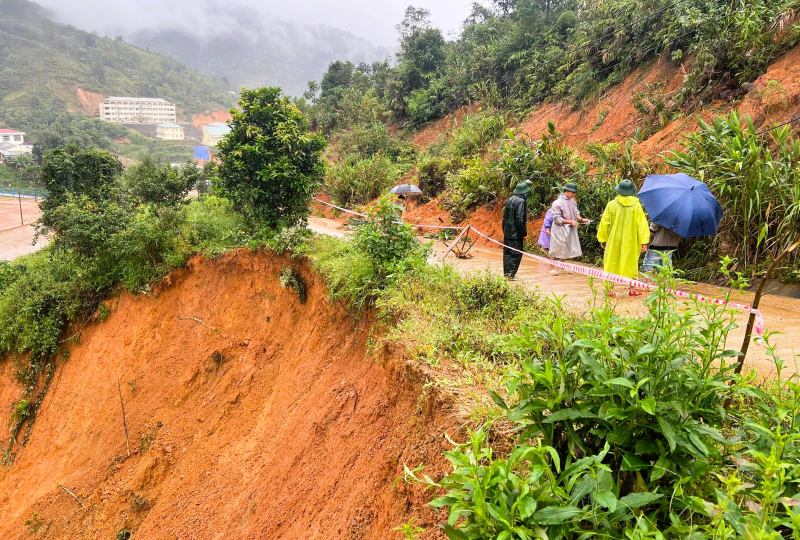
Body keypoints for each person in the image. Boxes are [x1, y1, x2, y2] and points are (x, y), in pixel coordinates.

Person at [597, 179, 651, 296]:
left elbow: (604, 223)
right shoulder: (636, 206)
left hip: (613, 241)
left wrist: (602, 238)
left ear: (619, 191)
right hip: (631, 242)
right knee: (631, 263)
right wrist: (644, 242)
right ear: (632, 191)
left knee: (611, 263)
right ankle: (632, 288)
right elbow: (642, 224)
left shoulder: (611, 205)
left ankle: (610, 289)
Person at [548, 182, 590, 275]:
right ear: (567, 191)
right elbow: (557, 219)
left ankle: (563, 267)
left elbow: (576, 212)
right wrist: (570, 221)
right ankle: (551, 268)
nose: (574, 194)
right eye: (573, 192)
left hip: (569, 228)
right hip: (559, 229)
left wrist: (581, 219)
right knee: (555, 248)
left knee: (566, 247)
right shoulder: (557, 203)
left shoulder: (572, 201)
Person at [502, 181, 531, 280]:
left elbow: (504, 217)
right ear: (524, 193)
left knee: (507, 253)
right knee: (516, 254)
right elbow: (520, 219)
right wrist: (523, 233)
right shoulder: (521, 202)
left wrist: (504, 230)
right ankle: (511, 275)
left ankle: (507, 274)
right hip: (516, 234)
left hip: (507, 232)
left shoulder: (510, 199)